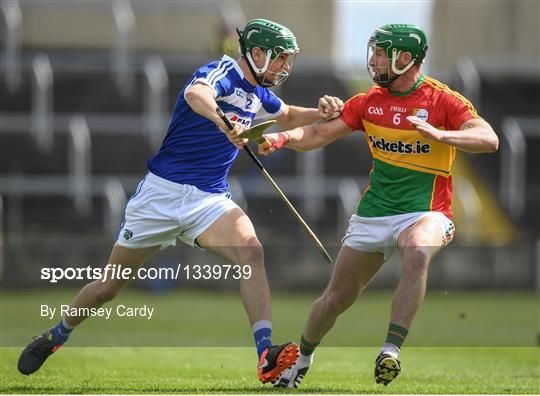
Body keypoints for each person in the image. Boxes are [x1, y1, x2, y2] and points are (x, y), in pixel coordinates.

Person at [17, 18, 343, 384]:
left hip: (208, 200)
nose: (285, 66)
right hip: (161, 196)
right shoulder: (222, 72)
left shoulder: (259, 94)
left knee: (251, 251)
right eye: (281, 58)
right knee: (109, 287)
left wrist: (320, 113)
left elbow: (286, 114)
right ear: (256, 53)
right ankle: (56, 335)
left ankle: (265, 354)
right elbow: (196, 94)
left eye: (288, 59)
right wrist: (224, 122)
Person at [228, 23, 499, 388]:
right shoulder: (368, 102)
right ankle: (301, 359)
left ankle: (391, 349)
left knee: (417, 250)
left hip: (427, 211)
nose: (373, 61)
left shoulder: (442, 100)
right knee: (335, 299)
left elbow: (488, 138)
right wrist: (282, 138)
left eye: (381, 54)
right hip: (375, 213)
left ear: (405, 58)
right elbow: (318, 133)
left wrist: (441, 134)